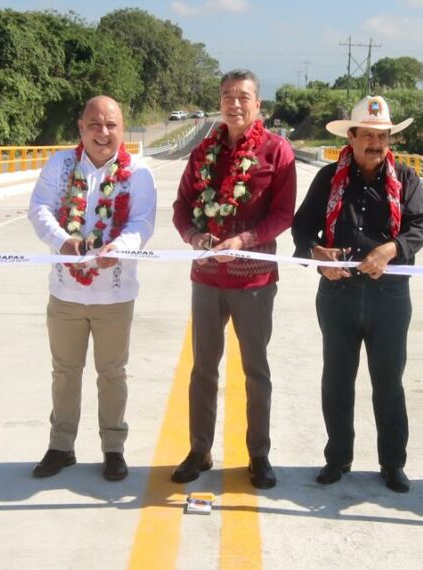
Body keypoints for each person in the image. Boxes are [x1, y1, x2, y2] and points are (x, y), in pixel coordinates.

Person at [291, 95, 423, 492]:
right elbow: (302, 229)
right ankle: (338, 458)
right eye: (367, 135)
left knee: (389, 382)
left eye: (382, 136)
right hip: (338, 295)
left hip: (389, 296)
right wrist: (318, 254)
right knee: (337, 379)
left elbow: (420, 224)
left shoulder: (405, 179)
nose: (375, 143)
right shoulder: (328, 179)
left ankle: (392, 463)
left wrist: (391, 249)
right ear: (350, 137)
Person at [170, 69, 296, 489]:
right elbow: (182, 207)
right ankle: (199, 449)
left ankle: (258, 454)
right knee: (202, 369)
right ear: (219, 102)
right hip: (206, 280)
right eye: (227, 96)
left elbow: (282, 215)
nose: (235, 103)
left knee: (255, 372)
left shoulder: (277, 152)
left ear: (258, 104)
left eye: (244, 96)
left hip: (254, 282)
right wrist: (193, 235)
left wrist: (244, 238)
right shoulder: (203, 152)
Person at [27, 96, 157, 481]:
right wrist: (63, 242)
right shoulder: (61, 165)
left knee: (112, 373)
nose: (104, 133)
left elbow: (142, 222)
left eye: (112, 125)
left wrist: (120, 248)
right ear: (81, 128)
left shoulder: (138, 172)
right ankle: (61, 446)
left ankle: (113, 448)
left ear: (123, 128)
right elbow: (39, 208)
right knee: (65, 372)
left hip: (115, 295)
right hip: (66, 292)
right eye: (95, 125)